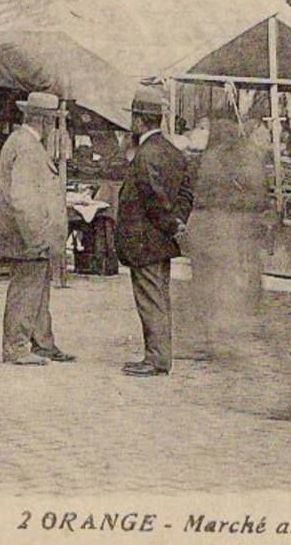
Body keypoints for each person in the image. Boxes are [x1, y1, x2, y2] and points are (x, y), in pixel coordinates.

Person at [115, 88, 192, 377]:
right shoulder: (174, 152)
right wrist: (178, 222)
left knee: (150, 300)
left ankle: (157, 358)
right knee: (160, 296)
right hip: (162, 240)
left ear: (139, 121)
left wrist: (171, 223)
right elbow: (186, 192)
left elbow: (153, 198)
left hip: (144, 240)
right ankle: (159, 355)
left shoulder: (145, 155)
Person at [0, 91, 74, 366]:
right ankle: (16, 346)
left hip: (33, 234)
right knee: (26, 288)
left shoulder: (25, 142)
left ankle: (42, 342)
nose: (54, 127)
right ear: (44, 121)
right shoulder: (27, 147)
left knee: (38, 288)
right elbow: (22, 198)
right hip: (28, 235)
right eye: (52, 121)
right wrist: (36, 237)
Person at [180, 118, 269, 362]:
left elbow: (193, 193)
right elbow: (260, 197)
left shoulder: (206, 160)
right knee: (228, 285)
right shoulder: (248, 158)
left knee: (206, 285)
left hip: (206, 227)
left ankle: (211, 338)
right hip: (230, 229)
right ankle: (225, 341)